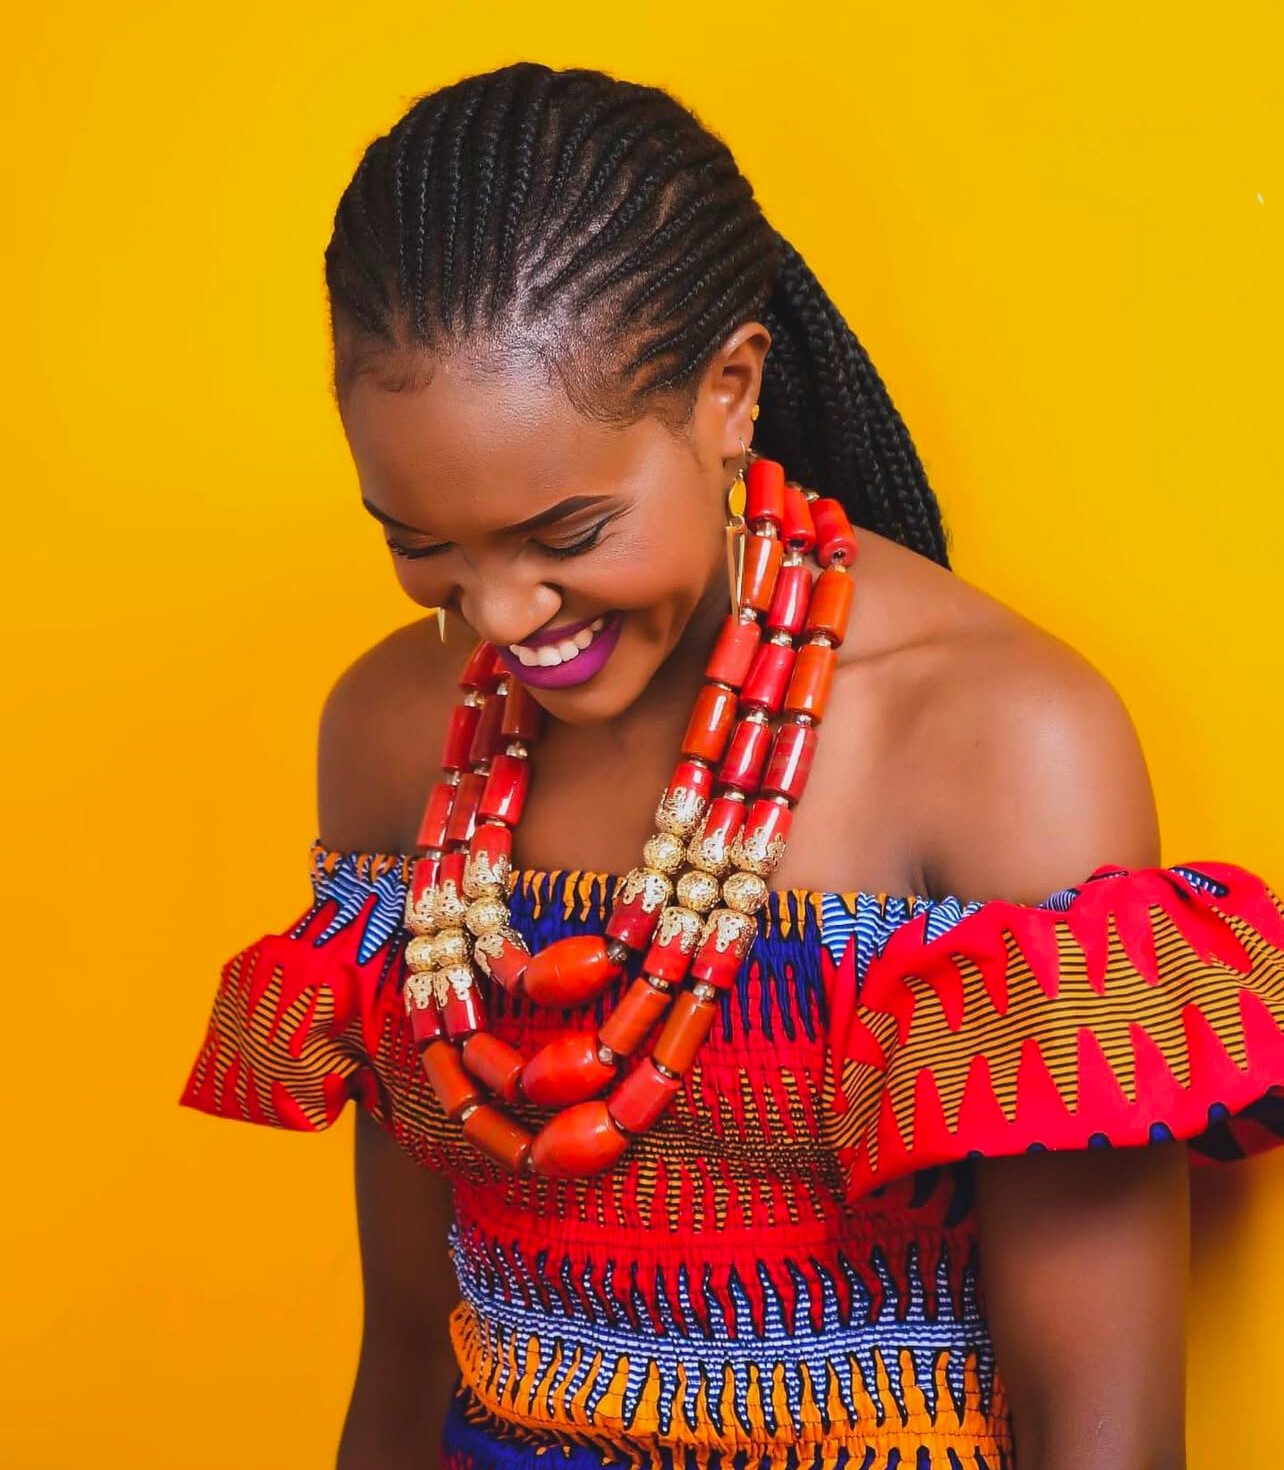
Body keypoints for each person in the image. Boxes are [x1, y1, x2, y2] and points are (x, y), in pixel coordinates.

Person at [179, 61, 1284, 1470]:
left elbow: (1102, 1434)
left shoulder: (1002, 743)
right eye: (421, 544)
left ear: (730, 391)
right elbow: (402, 1350)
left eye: (566, 533)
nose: (499, 615)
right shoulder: (394, 733)